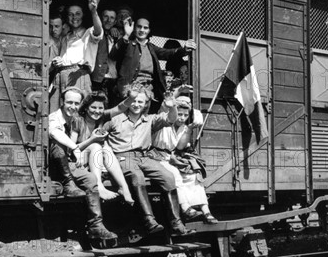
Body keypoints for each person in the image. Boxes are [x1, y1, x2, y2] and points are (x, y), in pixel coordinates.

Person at [101, 84, 193, 236]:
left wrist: (172, 107)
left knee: (168, 176)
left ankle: (176, 223)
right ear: (129, 101)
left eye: (141, 102)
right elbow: (100, 136)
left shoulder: (150, 120)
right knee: (137, 176)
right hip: (123, 156)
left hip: (143, 156)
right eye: (134, 101)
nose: (137, 105)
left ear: (145, 104)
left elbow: (171, 119)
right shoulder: (116, 119)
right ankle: (149, 220)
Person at [48, 86, 118, 247]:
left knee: (91, 178)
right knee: (57, 144)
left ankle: (96, 225)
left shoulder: (74, 119)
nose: (72, 106)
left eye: (76, 103)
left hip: (69, 163)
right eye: (69, 102)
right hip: (54, 166)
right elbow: (54, 133)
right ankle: (68, 183)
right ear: (62, 102)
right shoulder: (55, 117)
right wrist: (75, 148)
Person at [152, 96, 218, 224]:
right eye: (179, 114)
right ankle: (185, 208)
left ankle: (206, 210)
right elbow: (164, 108)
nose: (182, 118)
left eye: (185, 115)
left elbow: (180, 147)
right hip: (156, 156)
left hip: (169, 157)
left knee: (192, 176)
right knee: (175, 174)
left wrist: (189, 129)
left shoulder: (183, 128)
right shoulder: (163, 122)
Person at [109, 17, 197, 111]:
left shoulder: (151, 48)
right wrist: (126, 35)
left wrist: (183, 49)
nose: (142, 30)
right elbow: (113, 54)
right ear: (134, 28)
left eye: (145, 27)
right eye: (139, 27)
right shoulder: (127, 44)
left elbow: (167, 53)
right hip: (130, 88)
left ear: (149, 30)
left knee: (144, 118)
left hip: (148, 89)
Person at [72, 90, 137, 204]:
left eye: (100, 108)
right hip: (79, 159)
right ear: (86, 108)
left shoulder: (102, 118)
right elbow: (71, 148)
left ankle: (124, 188)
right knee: (96, 146)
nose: (97, 111)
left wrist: (131, 98)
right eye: (93, 107)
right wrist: (92, 139)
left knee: (107, 148)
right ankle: (99, 186)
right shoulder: (78, 121)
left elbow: (120, 108)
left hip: (96, 160)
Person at [51, 0, 110, 95]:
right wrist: (58, 61)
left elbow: (98, 30)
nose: (74, 17)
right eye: (71, 14)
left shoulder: (89, 33)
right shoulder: (66, 36)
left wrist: (94, 11)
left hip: (79, 76)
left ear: (83, 15)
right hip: (61, 76)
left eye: (78, 14)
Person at [90, 8, 118, 103]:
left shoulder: (116, 36)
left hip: (113, 78)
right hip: (98, 78)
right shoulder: (96, 33)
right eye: (105, 16)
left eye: (112, 18)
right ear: (100, 18)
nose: (108, 20)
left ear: (115, 21)